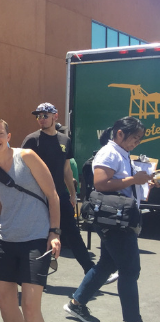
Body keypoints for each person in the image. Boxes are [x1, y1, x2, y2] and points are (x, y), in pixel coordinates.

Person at [64, 117, 153, 322]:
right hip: (114, 220)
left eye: (139, 140)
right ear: (120, 133)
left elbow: (121, 182)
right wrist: (134, 179)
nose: (136, 143)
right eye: (135, 138)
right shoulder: (109, 152)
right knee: (130, 270)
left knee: (107, 264)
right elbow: (101, 183)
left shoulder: (121, 152)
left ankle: (76, 303)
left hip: (117, 219)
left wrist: (143, 181)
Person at [0, 118, 61, 322]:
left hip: (35, 240)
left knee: (30, 306)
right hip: (4, 240)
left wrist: (54, 232)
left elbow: (53, 195)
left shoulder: (27, 156)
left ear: (8, 137)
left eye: (0, 134)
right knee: (5, 302)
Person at [22, 103, 94, 275]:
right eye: (38, 116)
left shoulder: (65, 140)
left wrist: (72, 194)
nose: (41, 119)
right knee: (40, 235)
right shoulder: (32, 140)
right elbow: (22, 168)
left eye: (45, 115)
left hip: (60, 195)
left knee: (73, 233)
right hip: (38, 196)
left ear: (55, 116)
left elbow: (67, 170)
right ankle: (36, 276)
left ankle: (92, 271)